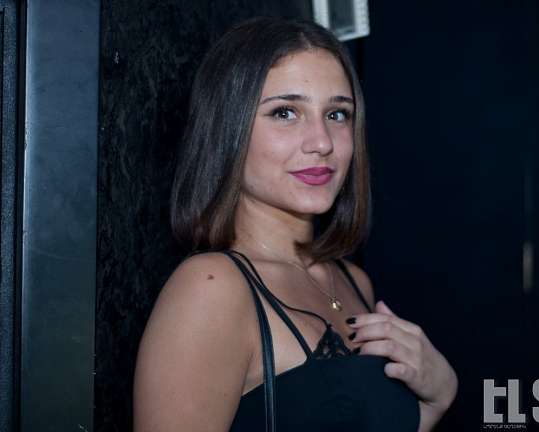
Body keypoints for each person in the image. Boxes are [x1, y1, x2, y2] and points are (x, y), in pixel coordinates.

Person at [133, 16, 457, 431]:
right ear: (228, 129)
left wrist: (438, 399)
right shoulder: (212, 288)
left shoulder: (352, 281)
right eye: (285, 112)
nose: (322, 141)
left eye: (337, 114)